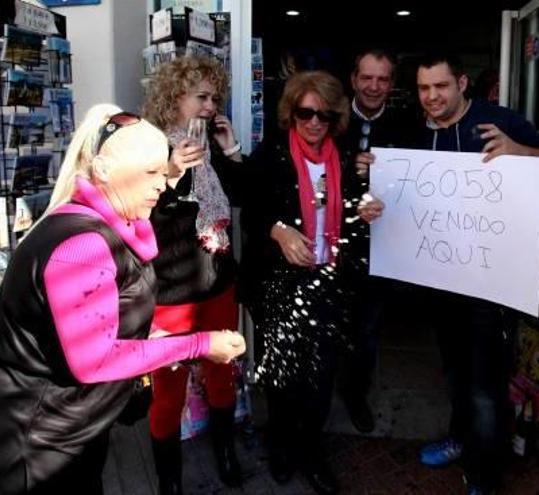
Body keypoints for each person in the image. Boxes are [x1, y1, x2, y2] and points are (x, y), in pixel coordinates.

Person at [0, 104, 246, 495]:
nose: (163, 183)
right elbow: (94, 361)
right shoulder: (83, 245)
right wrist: (200, 344)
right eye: (151, 173)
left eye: (164, 171)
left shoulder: (109, 230)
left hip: (69, 432)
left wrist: (149, 332)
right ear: (104, 172)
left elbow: (103, 311)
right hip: (28, 447)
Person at [357, 52, 539, 494]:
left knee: (486, 387)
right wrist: (370, 175)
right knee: (454, 373)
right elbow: (393, 188)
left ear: (462, 84)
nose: (432, 96)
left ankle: (485, 474)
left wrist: (520, 152)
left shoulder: (497, 120)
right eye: (423, 88)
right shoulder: (411, 131)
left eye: (441, 86)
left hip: (491, 286)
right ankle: (460, 438)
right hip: (438, 281)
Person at [243, 70, 380, 495]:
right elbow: (252, 213)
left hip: (328, 282)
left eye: (323, 113)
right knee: (284, 374)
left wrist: (364, 208)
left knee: (320, 375)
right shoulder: (272, 155)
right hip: (278, 284)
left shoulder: (343, 159)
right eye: (305, 113)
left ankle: (310, 449)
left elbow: (350, 210)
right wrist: (280, 231)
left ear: (335, 116)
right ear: (292, 113)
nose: (315, 122)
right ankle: (282, 443)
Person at [141, 56, 248, 494]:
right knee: (168, 393)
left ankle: (225, 452)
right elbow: (140, 217)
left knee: (223, 377)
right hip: (171, 296)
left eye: (213, 98)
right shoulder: (146, 147)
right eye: (200, 97)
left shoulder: (209, 149)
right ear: (173, 98)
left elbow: (244, 198)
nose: (209, 106)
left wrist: (231, 149)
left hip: (218, 285)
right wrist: (169, 171)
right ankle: (170, 481)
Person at [338, 48, 414, 434]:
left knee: (368, 330)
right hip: (330, 243)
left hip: (381, 247)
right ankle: (322, 390)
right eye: (367, 77)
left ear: (392, 84)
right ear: (353, 79)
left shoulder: (407, 126)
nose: (374, 86)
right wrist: (350, 169)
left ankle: (355, 395)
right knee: (328, 324)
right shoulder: (329, 119)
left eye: (382, 79)